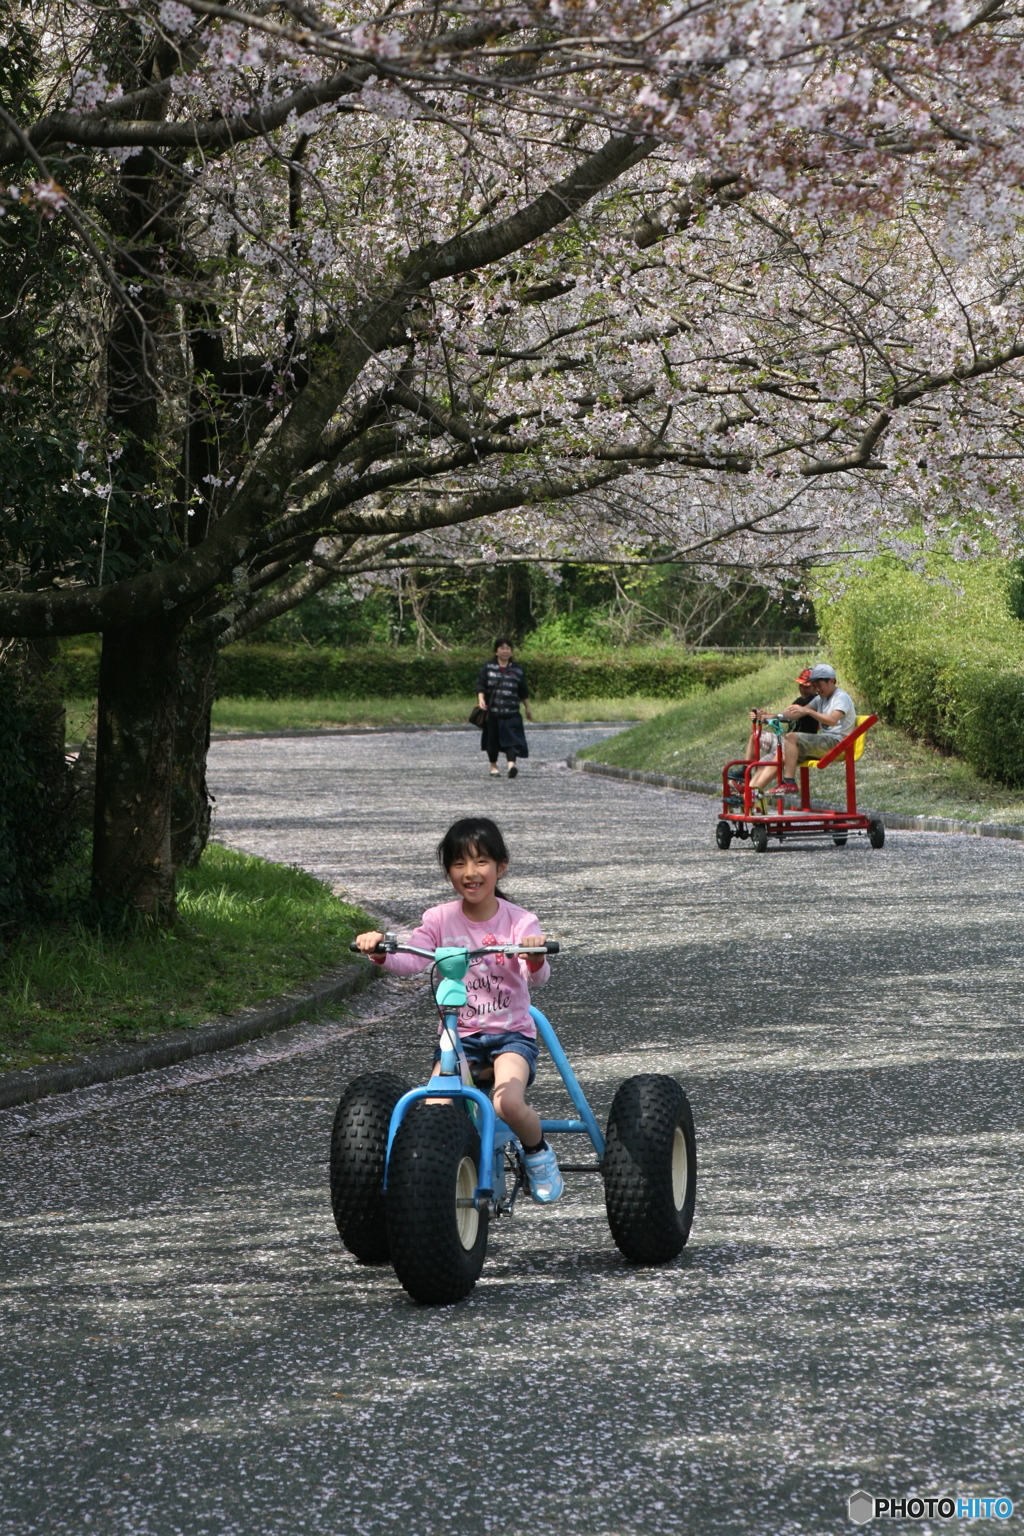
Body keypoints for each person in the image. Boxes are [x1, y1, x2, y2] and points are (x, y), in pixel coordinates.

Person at [352, 815, 563, 1203]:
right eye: (459, 863)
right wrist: (380, 950)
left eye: (481, 861)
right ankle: (435, 1181)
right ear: (448, 870)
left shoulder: (519, 921)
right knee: (434, 1108)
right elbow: (412, 960)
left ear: (501, 867)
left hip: (510, 1036)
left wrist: (533, 955)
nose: (471, 873)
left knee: (507, 1102)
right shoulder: (438, 919)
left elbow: (537, 977)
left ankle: (537, 1151)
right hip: (458, 1037)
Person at [752, 662, 857, 795]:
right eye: (816, 686)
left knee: (791, 737)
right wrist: (773, 716)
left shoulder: (841, 697)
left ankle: (789, 782)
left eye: (819, 685)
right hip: (826, 742)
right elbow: (798, 712)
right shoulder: (821, 699)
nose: (817, 689)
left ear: (831, 681)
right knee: (780, 755)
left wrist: (810, 712)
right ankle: (751, 793)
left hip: (838, 744)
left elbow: (832, 720)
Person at [727, 669, 819, 802]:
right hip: (788, 740)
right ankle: (745, 776)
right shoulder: (800, 700)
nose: (803, 689)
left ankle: (749, 794)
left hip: (801, 744)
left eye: (807, 686)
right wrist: (764, 715)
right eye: (801, 685)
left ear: (815, 687)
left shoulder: (815, 701)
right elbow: (784, 713)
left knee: (771, 761)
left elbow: (793, 715)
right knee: (756, 737)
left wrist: (771, 716)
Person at [476, 638, 533, 778]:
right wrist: (481, 699)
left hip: (511, 712)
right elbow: (481, 685)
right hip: (493, 713)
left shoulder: (517, 669)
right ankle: (493, 767)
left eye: (508, 648)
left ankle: (511, 766)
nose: (505, 651)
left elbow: (523, 691)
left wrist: (527, 707)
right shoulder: (488, 667)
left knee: (512, 740)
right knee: (492, 740)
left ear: (511, 651)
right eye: (502, 648)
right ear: (496, 651)